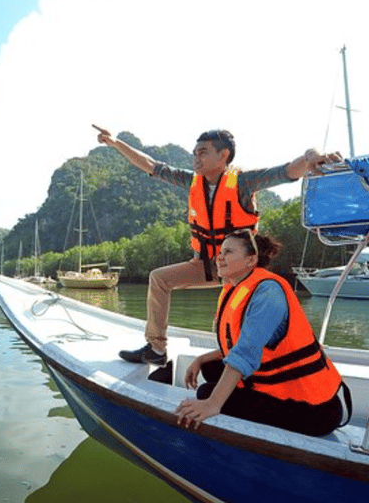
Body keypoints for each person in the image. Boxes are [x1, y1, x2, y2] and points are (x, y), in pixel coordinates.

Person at [95, 127, 342, 366]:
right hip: (206, 266)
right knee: (158, 279)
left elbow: (288, 170)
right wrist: (116, 143)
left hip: (240, 271)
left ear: (223, 156)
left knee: (230, 320)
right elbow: (151, 165)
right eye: (194, 153)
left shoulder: (243, 181)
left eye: (202, 152)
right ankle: (156, 348)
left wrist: (311, 157)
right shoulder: (191, 181)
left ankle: (257, 358)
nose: (195, 158)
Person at [175, 230, 347, 436]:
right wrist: (202, 358)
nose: (219, 257)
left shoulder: (268, 293)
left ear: (251, 259)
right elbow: (239, 344)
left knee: (206, 393)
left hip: (316, 410)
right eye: (220, 252)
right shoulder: (237, 288)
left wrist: (212, 404)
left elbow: (245, 352)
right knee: (211, 368)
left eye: (228, 252)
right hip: (284, 387)